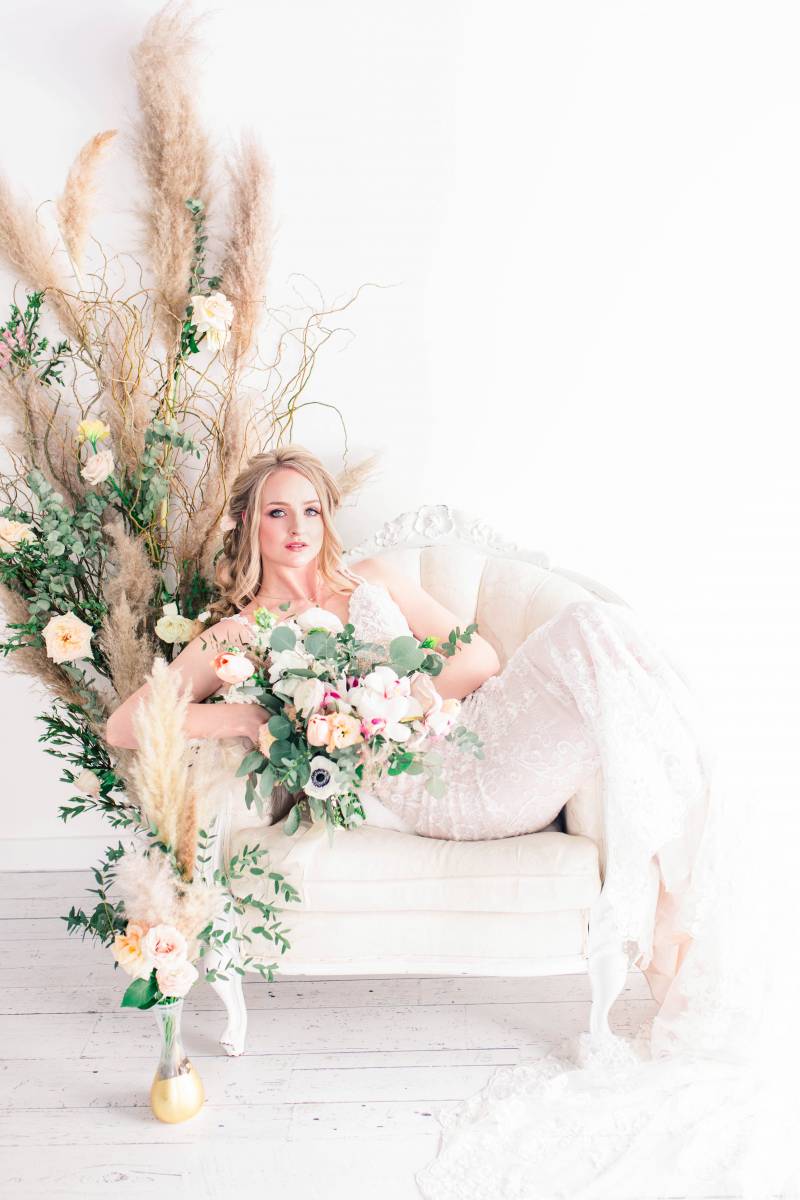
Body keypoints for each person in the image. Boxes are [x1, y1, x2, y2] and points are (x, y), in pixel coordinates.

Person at [106, 444, 796, 1199]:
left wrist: (391, 695)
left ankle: (692, 874)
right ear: (250, 524)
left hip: (480, 733)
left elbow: (479, 661)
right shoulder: (242, 634)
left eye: (311, 509)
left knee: (594, 627)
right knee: (593, 633)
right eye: (278, 511)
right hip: (442, 789)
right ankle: (688, 876)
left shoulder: (369, 580)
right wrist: (245, 714)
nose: (298, 526)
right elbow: (127, 724)